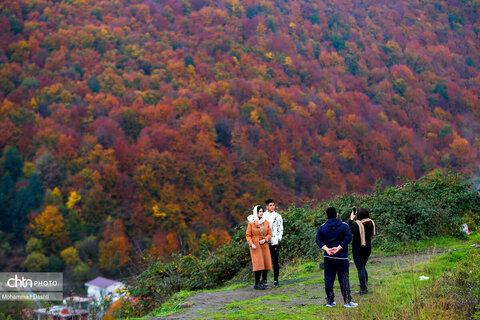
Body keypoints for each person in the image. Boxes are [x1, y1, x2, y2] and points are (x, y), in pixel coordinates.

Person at [316, 207, 358, 308]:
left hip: (328, 257)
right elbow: (348, 237)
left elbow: (318, 239)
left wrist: (326, 249)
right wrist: (339, 247)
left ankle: (330, 301)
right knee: (344, 279)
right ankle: (347, 302)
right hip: (342, 257)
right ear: (337, 215)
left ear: (326, 216)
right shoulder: (344, 226)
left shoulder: (322, 227)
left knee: (329, 279)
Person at [247, 199, 283, 286]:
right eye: (270, 205)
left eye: (273, 205)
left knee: (275, 260)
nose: (272, 207)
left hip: (273, 240)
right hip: (263, 242)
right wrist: (254, 219)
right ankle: (264, 279)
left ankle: (276, 279)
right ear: (267, 206)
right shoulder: (263, 214)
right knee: (263, 260)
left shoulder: (278, 216)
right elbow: (251, 217)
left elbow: (280, 229)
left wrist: (278, 240)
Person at [349, 207, 376, 295]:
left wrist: (351, 219)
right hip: (367, 248)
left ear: (358, 215)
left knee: (360, 268)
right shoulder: (371, 222)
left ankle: (363, 289)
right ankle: (365, 287)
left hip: (358, 248)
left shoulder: (357, 225)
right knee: (363, 267)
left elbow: (348, 231)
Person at [246, 205, 272, 290]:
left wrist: (265, 240)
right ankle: (256, 284)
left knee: (265, 263)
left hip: (264, 245)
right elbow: (248, 235)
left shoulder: (266, 222)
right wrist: (251, 244)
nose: (261, 213)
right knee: (258, 264)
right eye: (259, 212)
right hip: (255, 246)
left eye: (262, 211)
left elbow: (269, 234)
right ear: (255, 213)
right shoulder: (251, 223)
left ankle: (262, 281)